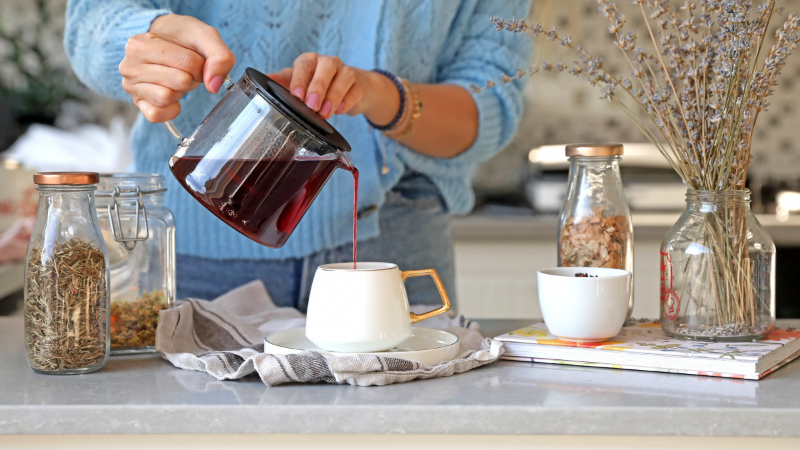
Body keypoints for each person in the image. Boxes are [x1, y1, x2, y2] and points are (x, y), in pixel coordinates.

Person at [65, 0, 532, 310]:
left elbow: (489, 103)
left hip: (393, 245)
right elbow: (92, 20)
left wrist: (376, 93)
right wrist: (148, 40)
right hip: (197, 250)